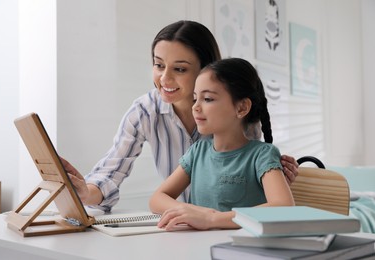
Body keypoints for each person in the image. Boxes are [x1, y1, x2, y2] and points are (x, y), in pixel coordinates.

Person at [62, 20, 298, 213]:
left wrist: (273, 173)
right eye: (158, 65)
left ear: (206, 70)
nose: (164, 79)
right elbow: (113, 171)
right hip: (188, 228)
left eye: (180, 69)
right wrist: (85, 191)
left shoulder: (236, 114)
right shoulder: (145, 111)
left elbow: (260, 180)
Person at [149, 58, 295, 231]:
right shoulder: (197, 152)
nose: (195, 107)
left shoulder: (262, 155)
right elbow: (157, 198)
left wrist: (212, 219)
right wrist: (190, 211)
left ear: (241, 108)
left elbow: (284, 207)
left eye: (208, 99)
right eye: (195, 98)